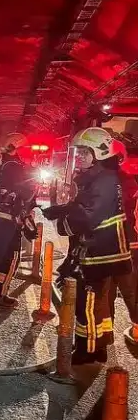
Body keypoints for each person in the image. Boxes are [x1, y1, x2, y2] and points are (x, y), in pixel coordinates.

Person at [43, 127, 132, 365]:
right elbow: (84, 207)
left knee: (88, 304)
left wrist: (63, 222)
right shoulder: (99, 177)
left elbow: (89, 216)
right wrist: (61, 209)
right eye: (79, 152)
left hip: (100, 253)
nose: (80, 157)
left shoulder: (104, 180)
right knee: (97, 304)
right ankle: (98, 343)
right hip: (97, 251)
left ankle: (88, 350)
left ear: (101, 153)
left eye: (85, 152)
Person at [0, 150, 38, 307]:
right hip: (7, 222)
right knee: (11, 258)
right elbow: (24, 200)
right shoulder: (19, 170)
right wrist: (28, 224)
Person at [108, 139, 138, 343]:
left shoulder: (104, 181)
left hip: (112, 244)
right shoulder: (129, 181)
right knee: (132, 290)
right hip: (130, 243)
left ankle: (104, 334)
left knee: (105, 291)